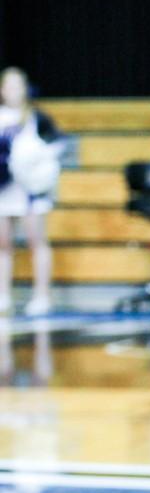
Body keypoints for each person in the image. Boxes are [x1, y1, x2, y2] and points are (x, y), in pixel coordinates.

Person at [0, 67, 63, 316]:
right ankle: (4, 294)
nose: (14, 91)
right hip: (4, 189)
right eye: (9, 86)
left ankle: (42, 295)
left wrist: (39, 161)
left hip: (30, 191)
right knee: (3, 245)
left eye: (19, 86)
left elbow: (58, 145)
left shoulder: (36, 117)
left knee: (37, 242)